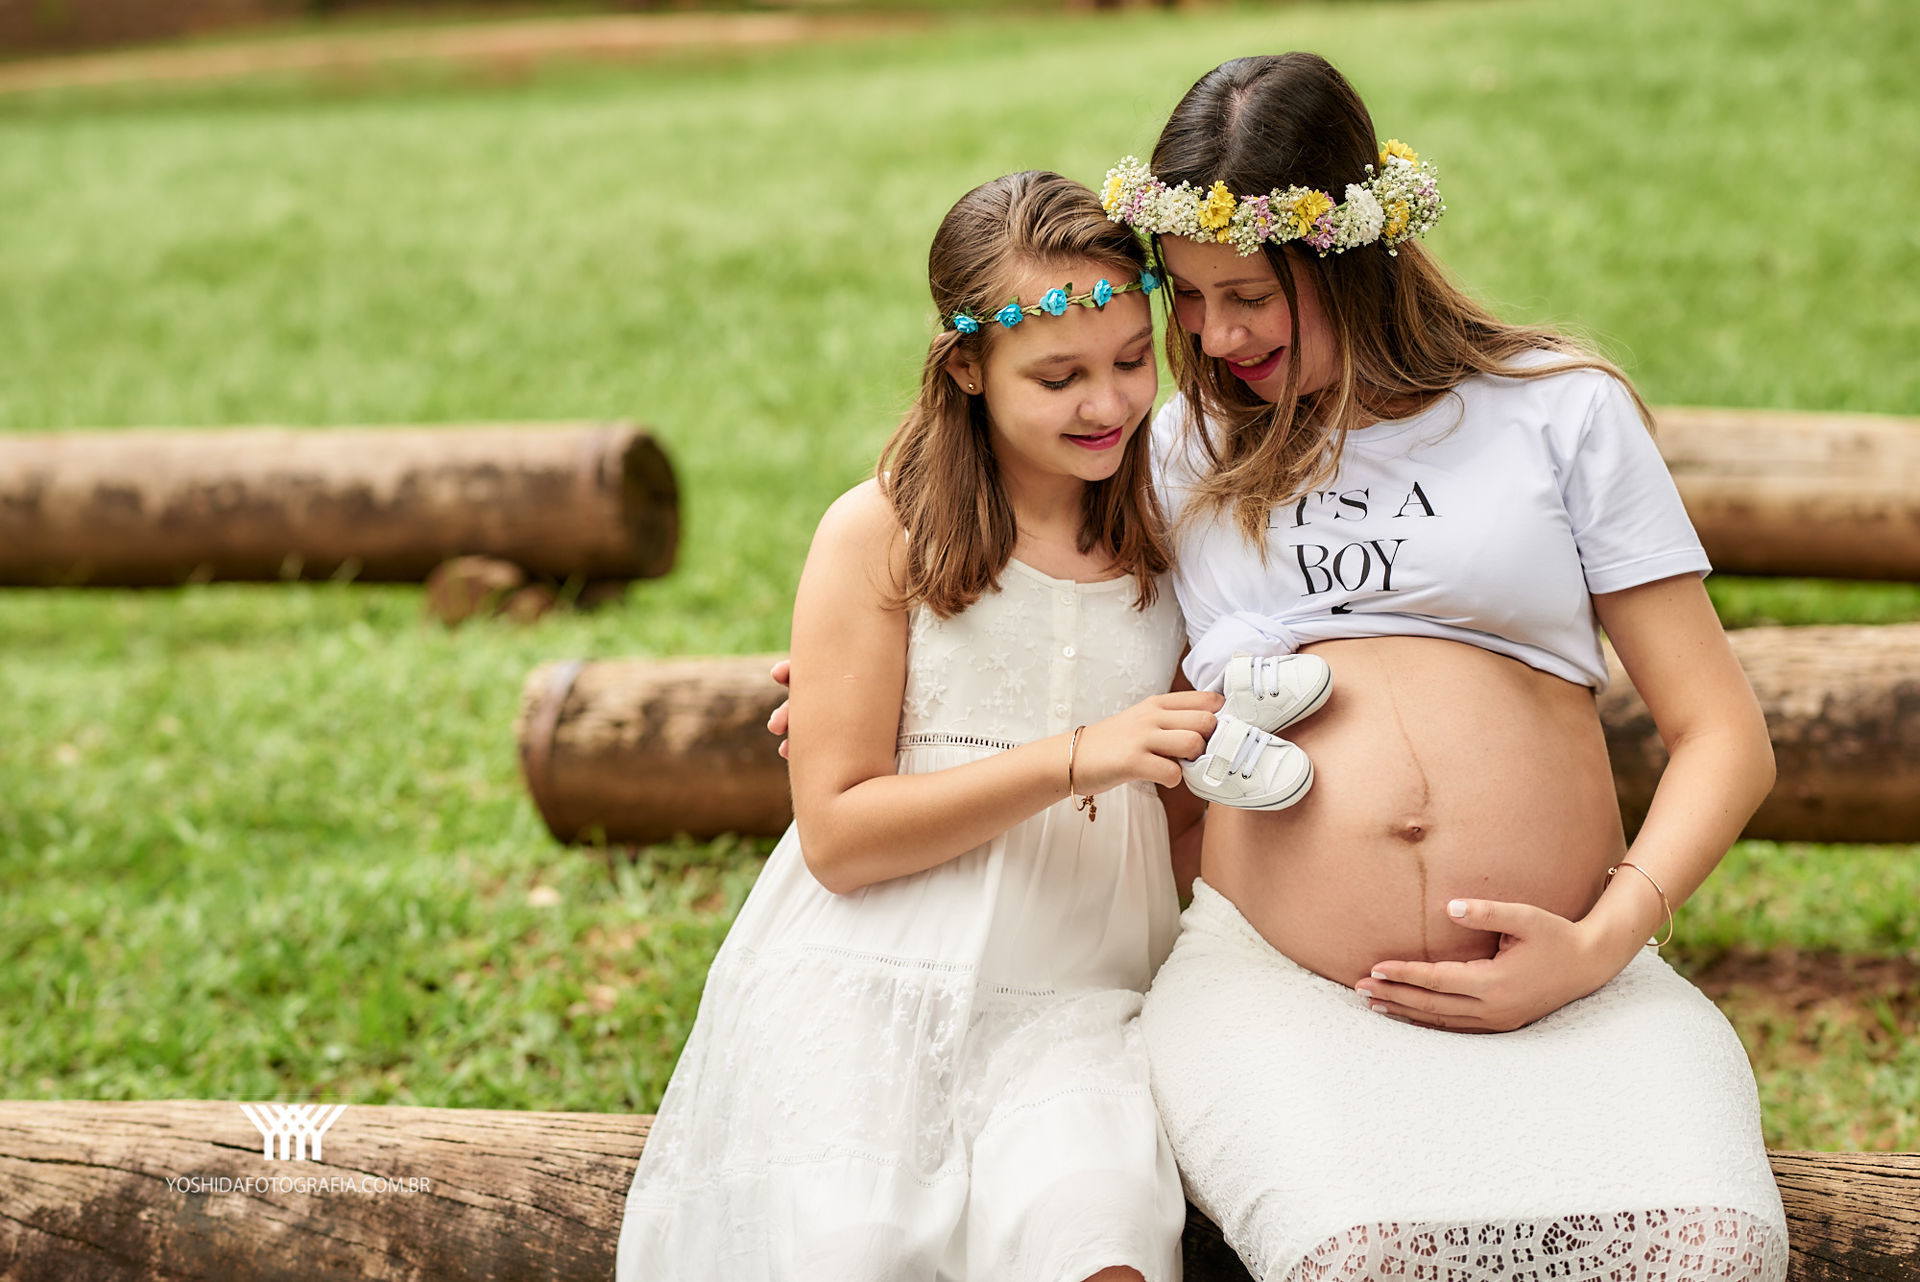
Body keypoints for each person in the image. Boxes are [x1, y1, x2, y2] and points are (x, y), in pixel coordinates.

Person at [1113, 52, 1789, 1282]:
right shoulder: (1171, 451)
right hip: (1281, 985)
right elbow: (1012, 596)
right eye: (1190, 294)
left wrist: (1601, 942)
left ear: (1353, 256)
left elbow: (1725, 737)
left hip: (1581, 977)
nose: (1215, 334)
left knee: (1714, 1246)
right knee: (1362, 1255)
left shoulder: (1557, 409)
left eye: (1252, 293)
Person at [616, 169, 1215, 1282]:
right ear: (967, 367)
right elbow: (839, 838)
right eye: (1059, 375)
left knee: (1100, 1232)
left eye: (1135, 360)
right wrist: (1080, 755)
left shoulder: (1179, 530)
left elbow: (1184, 827)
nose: (1109, 404)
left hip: (1080, 995)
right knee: (859, 1241)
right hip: (867, 980)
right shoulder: (880, 532)